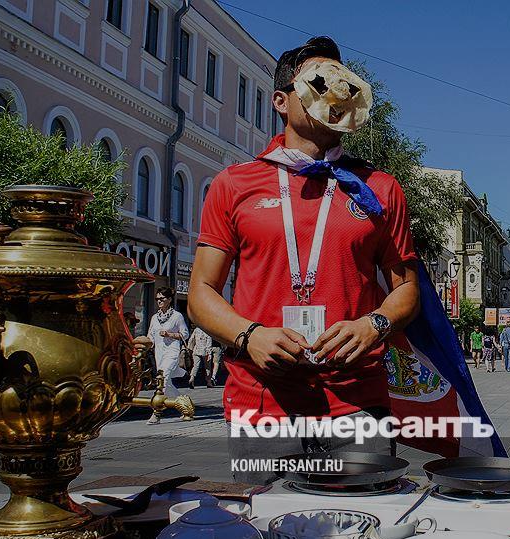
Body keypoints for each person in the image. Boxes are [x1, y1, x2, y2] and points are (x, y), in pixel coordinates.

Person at [189, 36, 420, 485]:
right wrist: (248, 335)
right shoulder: (234, 184)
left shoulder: (380, 188)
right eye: (318, 83)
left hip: (357, 403)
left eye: (341, 83)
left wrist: (373, 325)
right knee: (267, 519)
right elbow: (200, 293)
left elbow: (407, 289)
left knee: (364, 517)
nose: (334, 94)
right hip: (262, 404)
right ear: (281, 101)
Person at [146, 287, 190, 423]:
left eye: (162, 298)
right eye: (157, 299)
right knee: (167, 383)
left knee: (162, 379)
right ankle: (185, 405)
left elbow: (185, 334)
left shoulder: (177, 316)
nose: (159, 301)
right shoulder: (154, 318)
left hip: (172, 352)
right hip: (159, 353)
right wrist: (144, 344)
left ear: (169, 299)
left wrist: (169, 334)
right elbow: (150, 336)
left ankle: (156, 413)